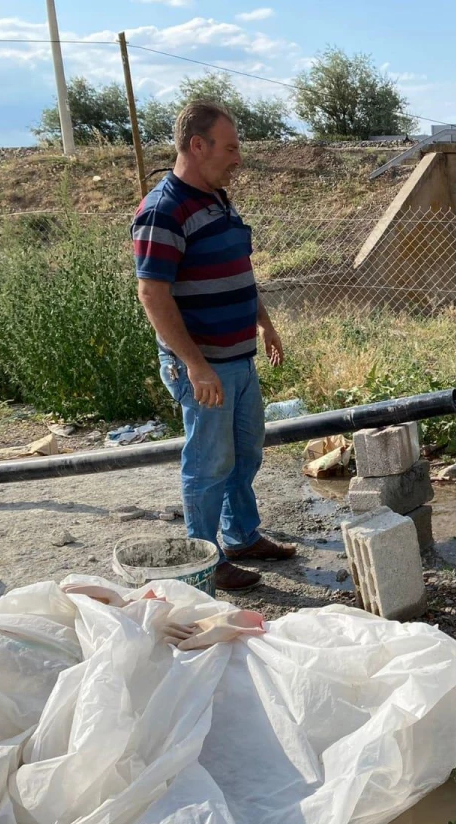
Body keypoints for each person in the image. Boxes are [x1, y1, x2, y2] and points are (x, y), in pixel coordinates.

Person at [132, 101, 295, 592]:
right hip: (203, 368)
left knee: (246, 453)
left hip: (238, 357)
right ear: (197, 146)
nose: (237, 158)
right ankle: (202, 561)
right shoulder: (163, 210)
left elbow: (239, 271)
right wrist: (195, 366)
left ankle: (241, 535)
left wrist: (264, 324)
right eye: (230, 147)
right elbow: (151, 293)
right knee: (208, 463)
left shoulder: (216, 199)